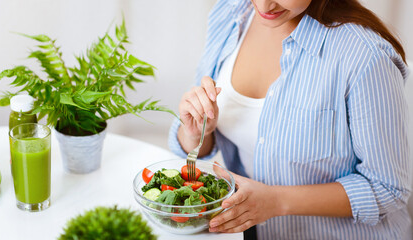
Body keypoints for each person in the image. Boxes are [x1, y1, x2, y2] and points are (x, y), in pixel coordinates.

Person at [168, 0, 411, 239]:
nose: (263, 6)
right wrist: (197, 131)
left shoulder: (364, 57)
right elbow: (198, 143)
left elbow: (387, 188)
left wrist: (275, 201)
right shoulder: (231, 11)